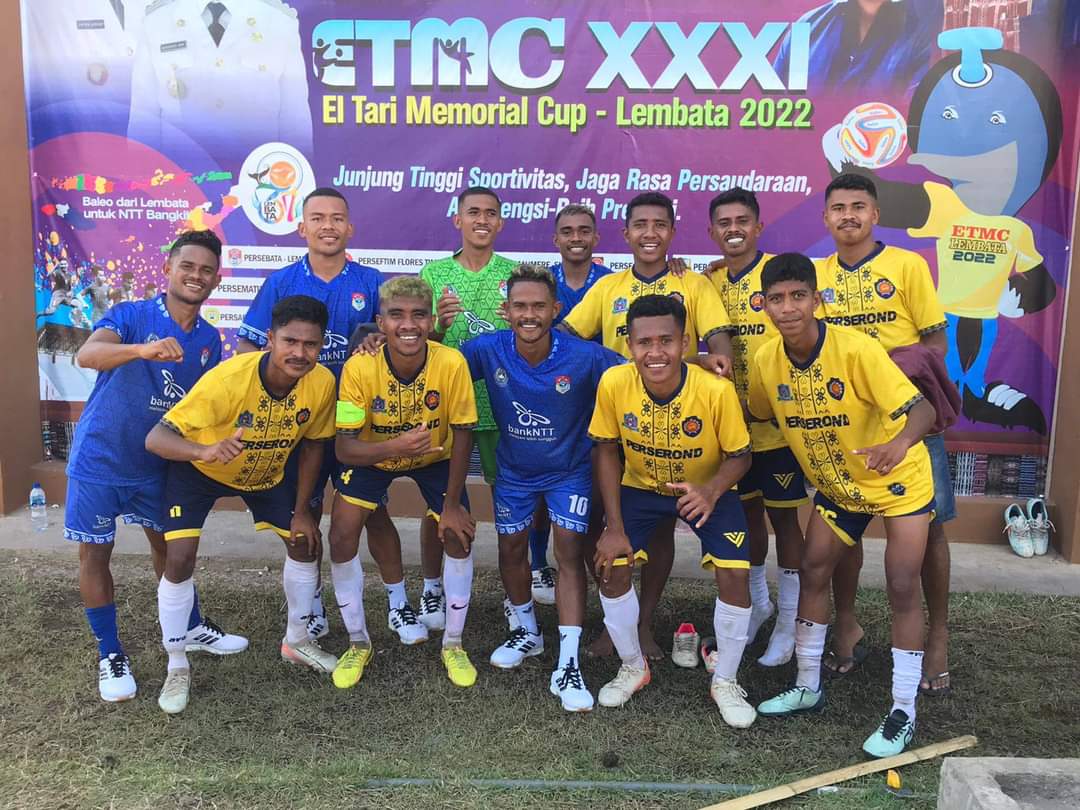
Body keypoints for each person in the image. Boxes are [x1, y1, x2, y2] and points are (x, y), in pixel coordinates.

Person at [749, 253, 935, 757]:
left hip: (897, 479)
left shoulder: (856, 349)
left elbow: (922, 410)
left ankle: (903, 710)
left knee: (902, 583)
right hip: (838, 486)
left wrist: (898, 444)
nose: (788, 308)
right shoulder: (766, 360)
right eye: (777, 299)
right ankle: (807, 684)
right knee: (814, 570)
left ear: (817, 299)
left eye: (798, 296)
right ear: (763, 305)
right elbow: (758, 413)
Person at [65, 229, 245, 703]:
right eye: (188, 266)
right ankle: (110, 652)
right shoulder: (131, 315)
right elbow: (88, 354)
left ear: (216, 280)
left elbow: (203, 406)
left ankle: (190, 625)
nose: (196, 276)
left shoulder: (208, 339)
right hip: (101, 458)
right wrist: (141, 350)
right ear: (168, 269)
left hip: (158, 464)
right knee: (95, 554)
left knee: (170, 548)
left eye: (206, 270)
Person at [562, 191, 735, 661]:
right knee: (599, 523)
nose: (650, 233)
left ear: (673, 232)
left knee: (659, 531)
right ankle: (613, 623)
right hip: (616, 424)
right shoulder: (608, 287)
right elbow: (567, 339)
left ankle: (643, 625)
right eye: (640, 225)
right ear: (625, 233)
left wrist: (703, 361)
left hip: (675, 428)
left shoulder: (694, 284)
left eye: (660, 224)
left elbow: (721, 349)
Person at [145, 295, 337, 714]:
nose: (299, 353)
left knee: (305, 542)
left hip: (266, 472)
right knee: (179, 557)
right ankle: (177, 664)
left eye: (310, 344)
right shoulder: (229, 379)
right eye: (290, 341)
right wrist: (204, 450)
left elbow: (314, 445)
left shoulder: (322, 382)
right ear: (270, 339)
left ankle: (297, 641)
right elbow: (156, 438)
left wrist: (303, 510)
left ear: (321, 345)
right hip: (201, 469)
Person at [815, 173, 955, 698]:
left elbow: (936, 342)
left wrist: (897, 377)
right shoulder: (816, 275)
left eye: (858, 206)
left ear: (875, 215)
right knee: (844, 530)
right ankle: (847, 624)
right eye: (838, 208)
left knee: (930, 531)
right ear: (826, 218)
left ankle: (937, 637)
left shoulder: (907, 265)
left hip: (909, 422)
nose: (848, 215)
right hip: (845, 428)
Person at [588, 295, 756, 727]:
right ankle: (633, 666)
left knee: (735, 574)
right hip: (641, 488)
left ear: (685, 343)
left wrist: (711, 490)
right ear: (630, 345)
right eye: (644, 342)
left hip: (707, 488)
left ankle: (726, 680)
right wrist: (613, 525)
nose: (655, 352)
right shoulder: (614, 382)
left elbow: (741, 456)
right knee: (613, 565)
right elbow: (605, 450)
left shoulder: (716, 390)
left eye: (666, 340)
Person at [460, 264, 622, 711]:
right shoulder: (488, 349)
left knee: (568, 550)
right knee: (511, 549)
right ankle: (527, 632)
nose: (528, 315)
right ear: (506, 310)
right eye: (520, 306)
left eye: (538, 306)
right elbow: (437, 365)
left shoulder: (585, 356)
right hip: (514, 472)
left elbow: (637, 373)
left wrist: (697, 364)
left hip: (570, 471)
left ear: (555, 309)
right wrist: (371, 340)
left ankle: (568, 662)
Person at [237, 187, 393, 640]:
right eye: (318, 218)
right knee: (303, 512)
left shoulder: (371, 281)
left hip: (354, 423)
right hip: (298, 423)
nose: (328, 226)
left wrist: (380, 343)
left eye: (337, 218)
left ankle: (398, 604)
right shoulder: (281, 282)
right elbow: (249, 346)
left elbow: (397, 337)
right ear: (301, 227)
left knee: (372, 512)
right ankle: (312, 605)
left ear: (350, 227)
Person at [329, 276, 479, 689]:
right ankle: (359, 641)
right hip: (373, 454)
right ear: (381, 322)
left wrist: (452, 505)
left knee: (458, 532)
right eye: (396, 315)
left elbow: (463, 432)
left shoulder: (451, 362)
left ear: (431, 321)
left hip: (435, 457)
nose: (408, 325)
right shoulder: (359, 366)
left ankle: (453, 643)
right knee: (341, 533)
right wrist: (394, 446)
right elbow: (344, 448)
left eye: (418, 315)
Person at [707, 189, 806, 667]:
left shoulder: (779, 277)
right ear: (712, 231)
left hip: (778, 427)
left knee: (784, 520)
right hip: (730, 431)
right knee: (746, 518)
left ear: (758, 227)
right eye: (724, 222)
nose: (734, 229)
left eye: (742, 220)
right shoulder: (707, 281)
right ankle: (758, 603)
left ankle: (789, 619)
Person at [527, 204, 613, 604]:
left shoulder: (611, 283)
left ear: (596, 238)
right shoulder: (543, 284)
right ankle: (537, 565)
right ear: (555, 239)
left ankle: (602, 565)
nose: (576, 238)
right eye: (567, 231)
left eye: (584, 231)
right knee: (541, 486)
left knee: (594, 490)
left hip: (602, 401)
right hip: (553, 400)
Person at [128, 0, 313, 166]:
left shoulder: (279, 22)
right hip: (183, 180)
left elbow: (295, 121)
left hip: (256, 180)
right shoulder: (157, 22)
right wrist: (145, 182)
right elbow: (144, 118)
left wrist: (297, 182)